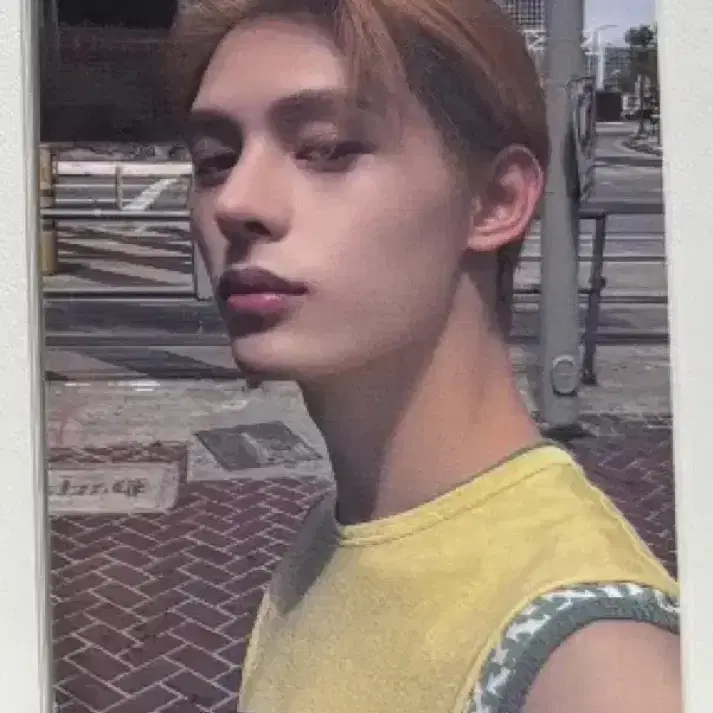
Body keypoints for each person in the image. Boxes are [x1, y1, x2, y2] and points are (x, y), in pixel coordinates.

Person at [168, 0, 682, 711]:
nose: (234, 202)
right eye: (214, 160)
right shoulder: (340, 530)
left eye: (325, 147)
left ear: (495, 200)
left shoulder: (589, 663)